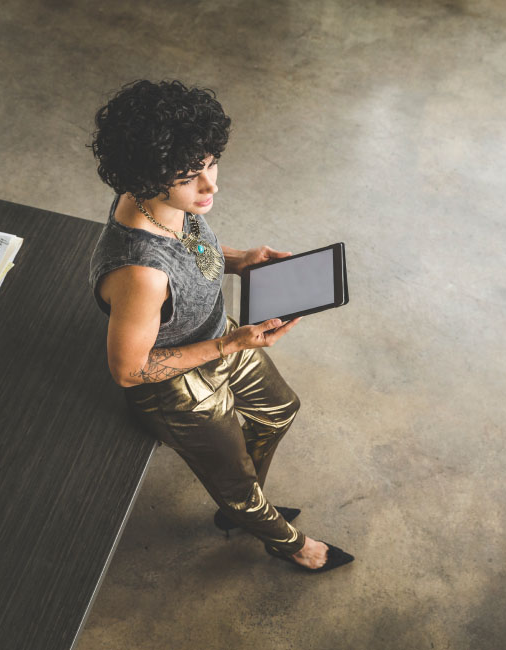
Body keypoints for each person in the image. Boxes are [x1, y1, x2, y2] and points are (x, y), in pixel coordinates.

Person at [89, 80, 353, 572]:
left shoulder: (162, 199)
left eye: (211, 163)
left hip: (217, 336)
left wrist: (240, 260)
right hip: (175, 383)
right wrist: (229, 343)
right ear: (149, 177)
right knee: (234, 483)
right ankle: (285, 541)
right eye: (192, 175)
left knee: (281, 410)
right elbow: (128, 370)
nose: (211, 185)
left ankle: (245, 508)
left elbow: (188, 248)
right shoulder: (140, 274)